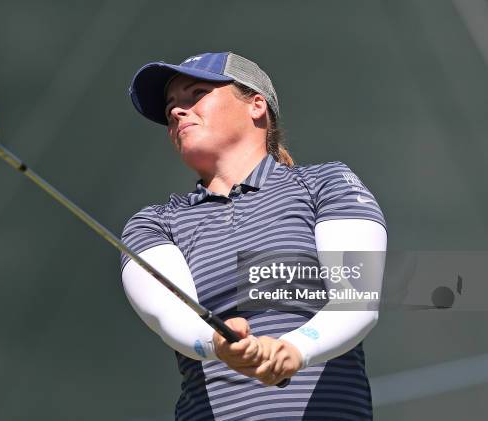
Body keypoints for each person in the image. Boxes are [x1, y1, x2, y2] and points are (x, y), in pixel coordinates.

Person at [121, 52, 387, 420]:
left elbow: (356, 302)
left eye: (196, 93)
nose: (177, 112)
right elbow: (171, 317)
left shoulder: (327, 184)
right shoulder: (154, 224)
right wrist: (215, 342)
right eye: (171, 108)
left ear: (256, 105)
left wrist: (293, 349)